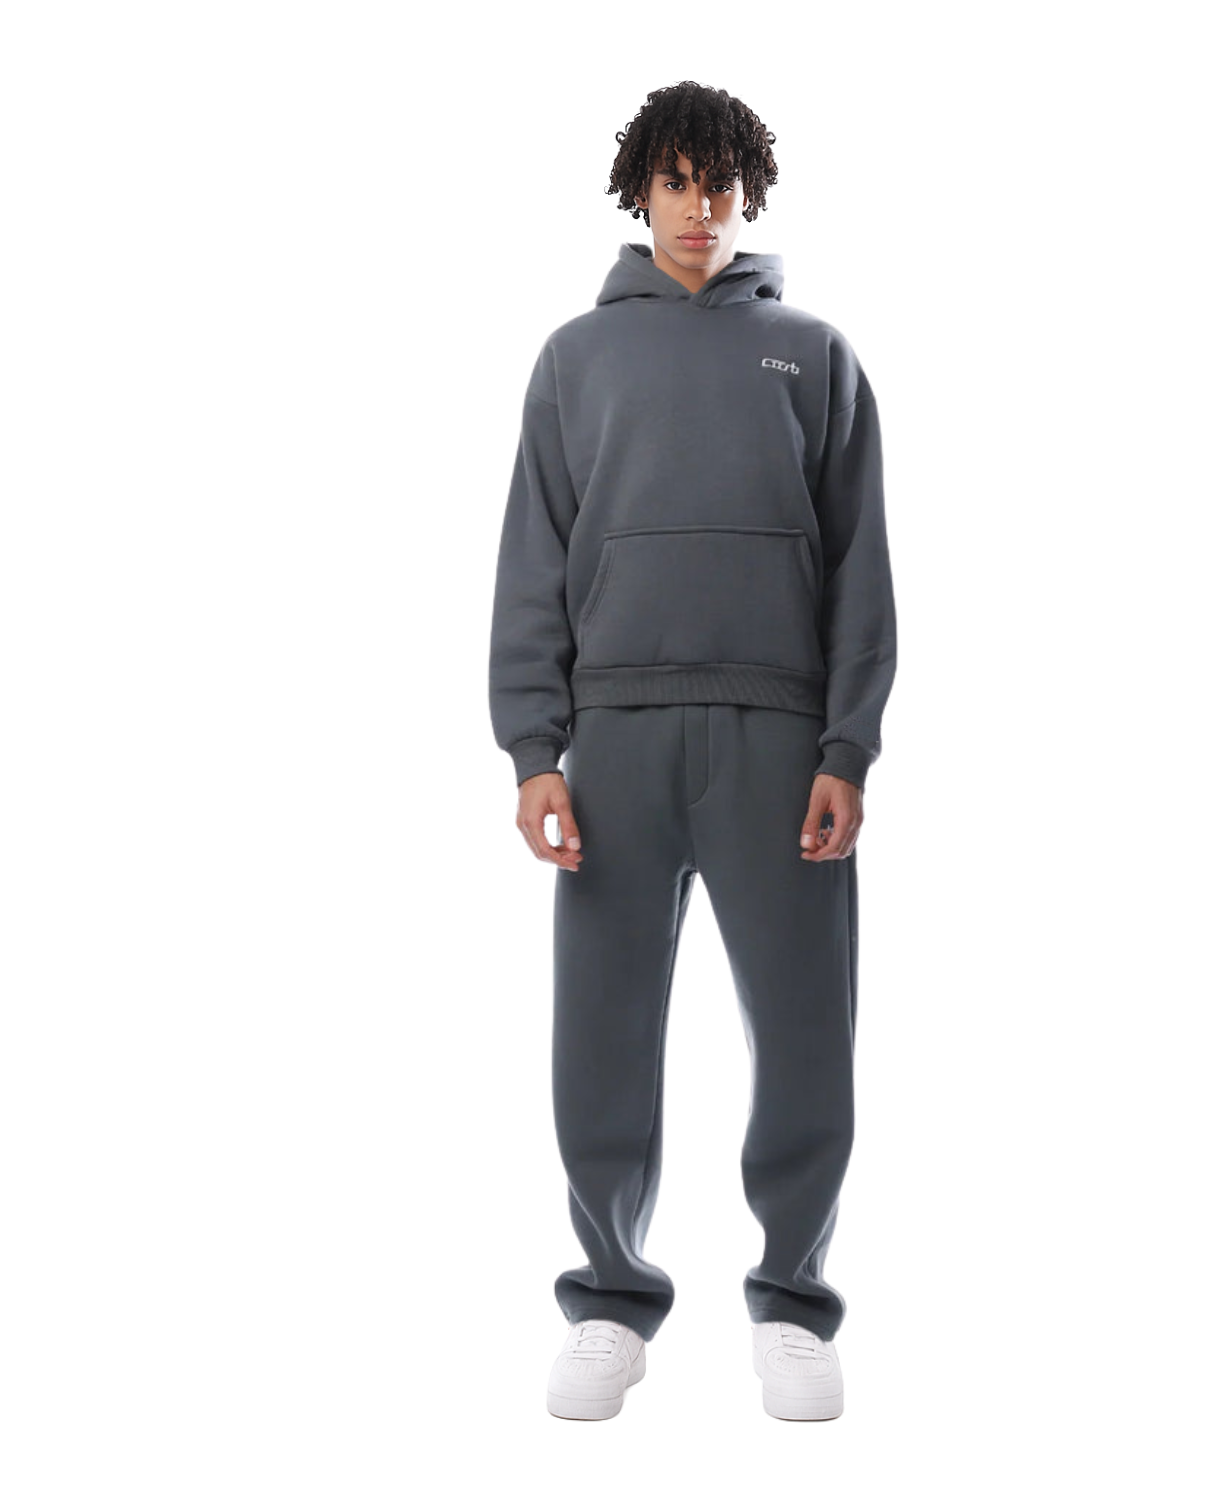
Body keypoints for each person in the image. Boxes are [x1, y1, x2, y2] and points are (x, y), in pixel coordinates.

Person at [487, 81, 897, 1422]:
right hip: (613, 740)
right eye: (677, 181)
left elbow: (861, 571)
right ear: (640, 190)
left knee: (806, 1031)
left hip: (779, 740)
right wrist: (534, 750)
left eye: (721, 183)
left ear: (748, 192)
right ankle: (609, 1300)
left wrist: (847, 746)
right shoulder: (574, 360)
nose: (700, 207)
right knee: (600, 1035)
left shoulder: (816, 355)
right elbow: (534, 563)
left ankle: (793, 1301)